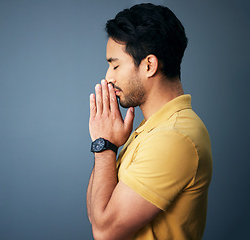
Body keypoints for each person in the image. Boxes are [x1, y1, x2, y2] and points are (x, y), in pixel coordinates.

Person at [87, 3, 212, 240]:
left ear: (149, 65)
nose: (108, 77)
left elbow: (104, 231)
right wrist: (107, 145)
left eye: (115, 65)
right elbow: (97, 214)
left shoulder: (173, 137)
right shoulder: (154, 129)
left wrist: (104, 146)